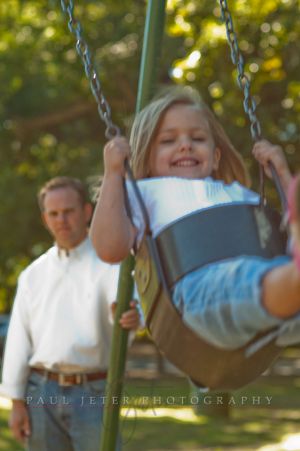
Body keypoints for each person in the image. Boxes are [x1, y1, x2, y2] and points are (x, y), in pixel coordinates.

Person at [90, 86, 300, 355]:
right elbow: (110, 248)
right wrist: (113, 175)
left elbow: (283, 236)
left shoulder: (239, 195)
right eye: (168, 141)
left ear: (215, 157)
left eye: (198, 138)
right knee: (241, 277)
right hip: (193, 297)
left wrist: (282, 176)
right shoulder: (145, 193)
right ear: (146, 156)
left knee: (272, 266)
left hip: (265, 302)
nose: (185, 145)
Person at [0, 176, 140, 451]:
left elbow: (127, 313)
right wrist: (16, 402)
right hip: (41, 393)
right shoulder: (33, 274)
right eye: (54, 214)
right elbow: (18, 341)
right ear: (45, 219)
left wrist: (128, 316)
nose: (61, 220)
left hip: (94, 392)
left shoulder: (112, 265)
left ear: (87, 212)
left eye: (69, 211)